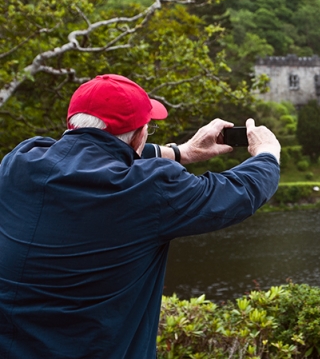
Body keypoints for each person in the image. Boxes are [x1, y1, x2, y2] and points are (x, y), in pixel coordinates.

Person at [0, 74, 281, 358]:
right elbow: (236, 193)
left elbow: (96, 151)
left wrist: (182, 152)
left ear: (73, 122)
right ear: (138, 135)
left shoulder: (20, 162)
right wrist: (267, 154)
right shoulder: (149, 190)